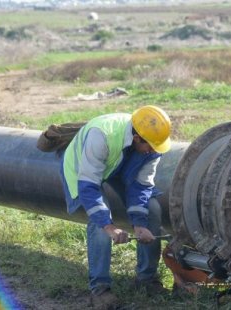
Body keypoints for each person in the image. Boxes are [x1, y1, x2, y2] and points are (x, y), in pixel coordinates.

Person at [59, 105, 172, 308]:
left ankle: (146, 279)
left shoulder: (151, 147)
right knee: (99, 222)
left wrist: (139, 224)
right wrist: (109, 226)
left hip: (118, 165)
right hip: (83, 171)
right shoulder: (101, 136)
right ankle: (100, 290)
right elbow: (89, 185)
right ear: (137, 138)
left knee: (152, 210)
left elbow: (141, 186)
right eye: (151, 146)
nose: (155, 151)